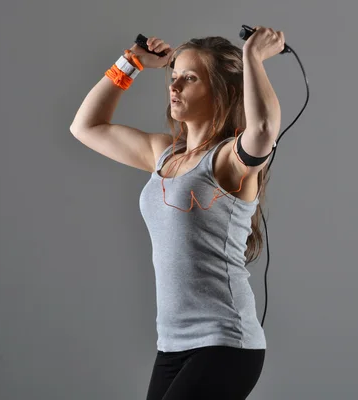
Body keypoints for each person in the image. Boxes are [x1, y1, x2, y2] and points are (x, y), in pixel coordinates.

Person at [70, 27, 285, 399]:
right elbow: (86, 127)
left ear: (223, 91)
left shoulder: (229, 161)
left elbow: (264, 128)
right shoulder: (164, 154)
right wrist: (132, 62)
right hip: (171, 345)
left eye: (189, 78)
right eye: (173, 78)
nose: (175, 87)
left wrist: (252, 57)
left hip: (225, 343)